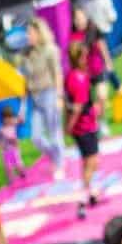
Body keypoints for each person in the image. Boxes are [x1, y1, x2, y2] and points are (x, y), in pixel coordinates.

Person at [23, 13, 70, 181]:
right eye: (27, 33)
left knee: (54, 132)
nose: (27, 36)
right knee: (36, 137)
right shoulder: (27, 54)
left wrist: (59, 96)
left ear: (39, 33)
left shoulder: (51, 50)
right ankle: (55, 156)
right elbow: (26, 80)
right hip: (35, 98)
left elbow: (57, 73)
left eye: (30, 33)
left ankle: (59, 163)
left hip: (49, 93)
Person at [65, 34, 104, 210]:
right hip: (84, 127)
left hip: (85, 125)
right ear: (78, 58)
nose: (87, 59)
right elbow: (78, 107)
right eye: (84, 56)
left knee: (89, 161)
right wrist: (70, 126)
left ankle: (91, 191)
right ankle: (84, 195)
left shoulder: (75, 75)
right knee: (92, 161)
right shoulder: (79, 79)